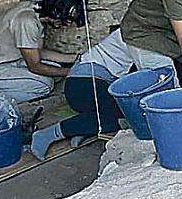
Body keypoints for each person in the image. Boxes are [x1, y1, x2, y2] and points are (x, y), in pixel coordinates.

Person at [29, 27, 134, 160]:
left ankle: (82, 128)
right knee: (124, 117)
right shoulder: (136, 35)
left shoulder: (142, 32)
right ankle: (48, 134)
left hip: (90, 84)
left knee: (122, 112)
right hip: (81, 86)